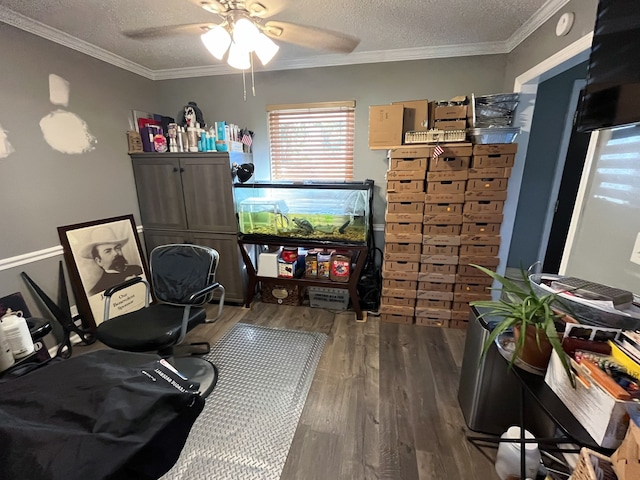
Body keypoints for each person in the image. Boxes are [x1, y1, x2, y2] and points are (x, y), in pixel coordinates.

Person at [81, 227, 143, 296]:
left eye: (117, 248)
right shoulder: (97, 291)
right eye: (108, 251)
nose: (116, 253)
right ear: (99, 261)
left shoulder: (137, 269)